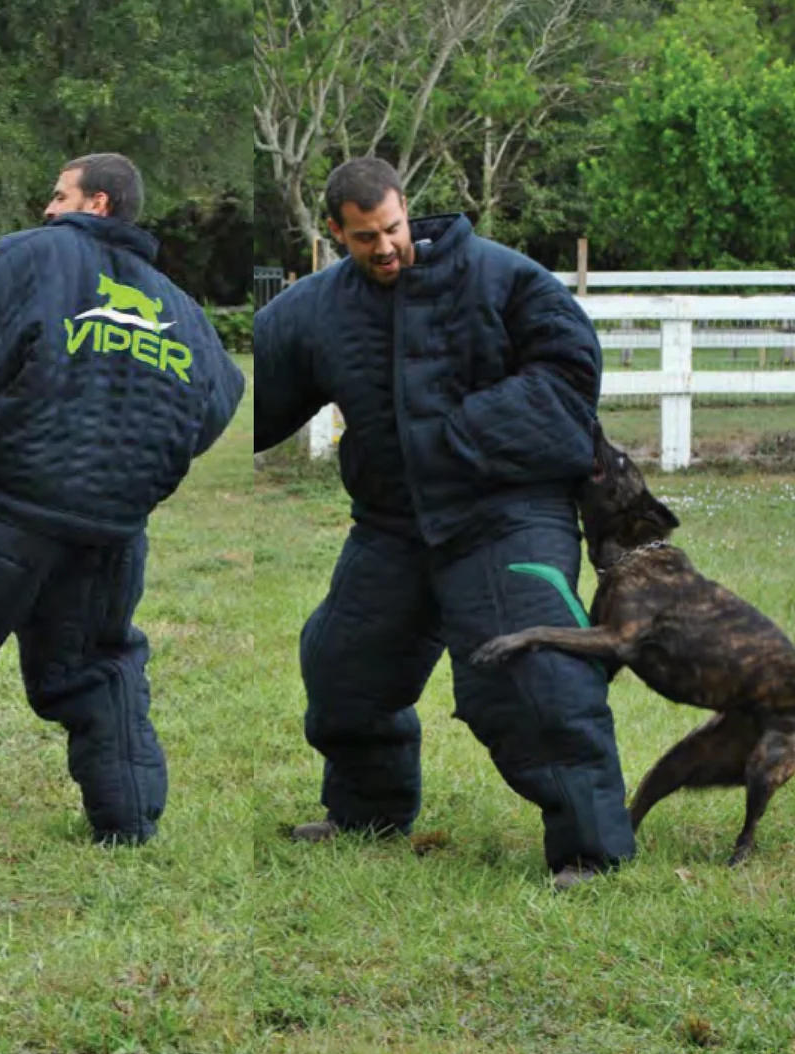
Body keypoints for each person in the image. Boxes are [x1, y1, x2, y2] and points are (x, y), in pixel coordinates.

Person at [0, 153, 245, 883]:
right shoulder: (182, 309)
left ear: (94, 202)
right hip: (113, 530)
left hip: (8, 515)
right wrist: (136, 476)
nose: (45, 208)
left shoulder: (36, 256)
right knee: (95, 664)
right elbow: (220, 398)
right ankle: (128, 820)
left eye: (57, 194)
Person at [254, 157, 634, 890]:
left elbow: (569, 374)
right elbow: (249, 386)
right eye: (365, 238)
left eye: (393, 229)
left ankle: (591, 850)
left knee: (534, 676)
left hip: (508, 512)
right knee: (342, 663)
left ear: (408, 212)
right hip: (393, 523)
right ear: (337, 233)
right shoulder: (320, 308)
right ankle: (367, 809)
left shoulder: (502, 276)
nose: (385, 248)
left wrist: (456, 431)